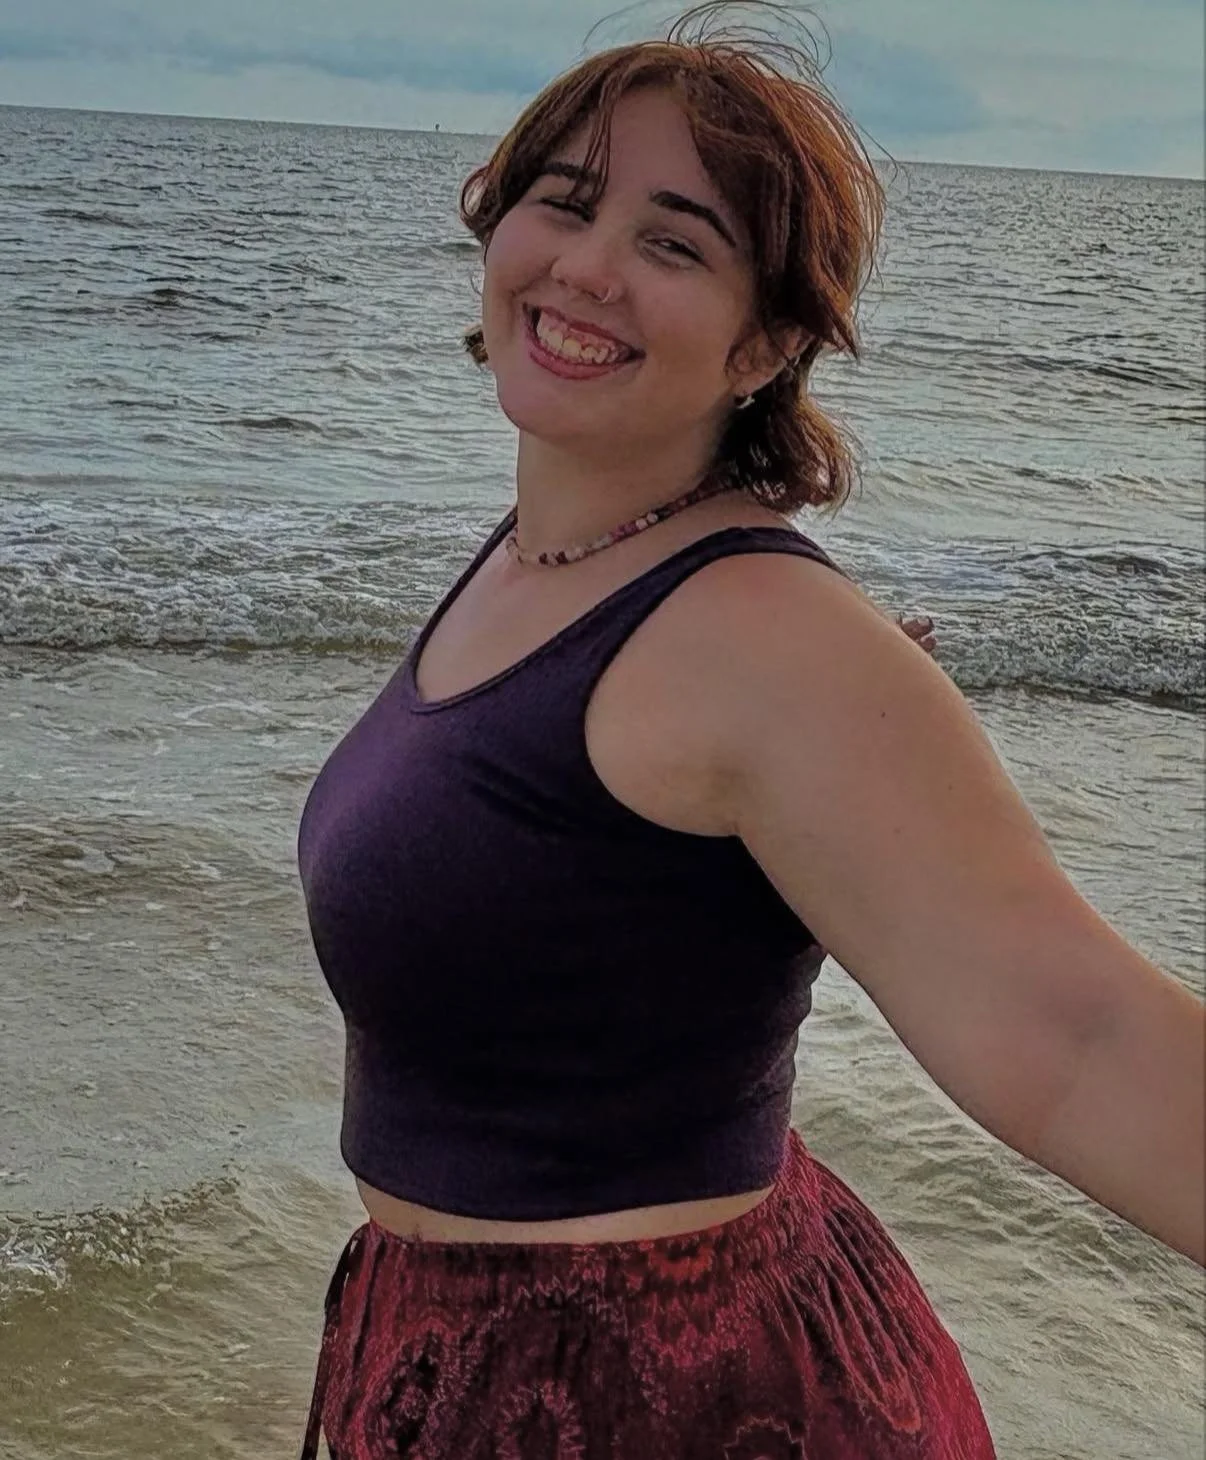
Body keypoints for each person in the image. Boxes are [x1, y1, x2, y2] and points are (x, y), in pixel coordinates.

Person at [295, 7, 1204, 1456]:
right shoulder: (547, 556)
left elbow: (1074, 1038)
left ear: (763, 342)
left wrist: (838, 704)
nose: (588, 268)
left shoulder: (764, 636)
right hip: (462, 1352)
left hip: (669, 1397)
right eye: (568, 201)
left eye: (676, 243)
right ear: (497, 218)